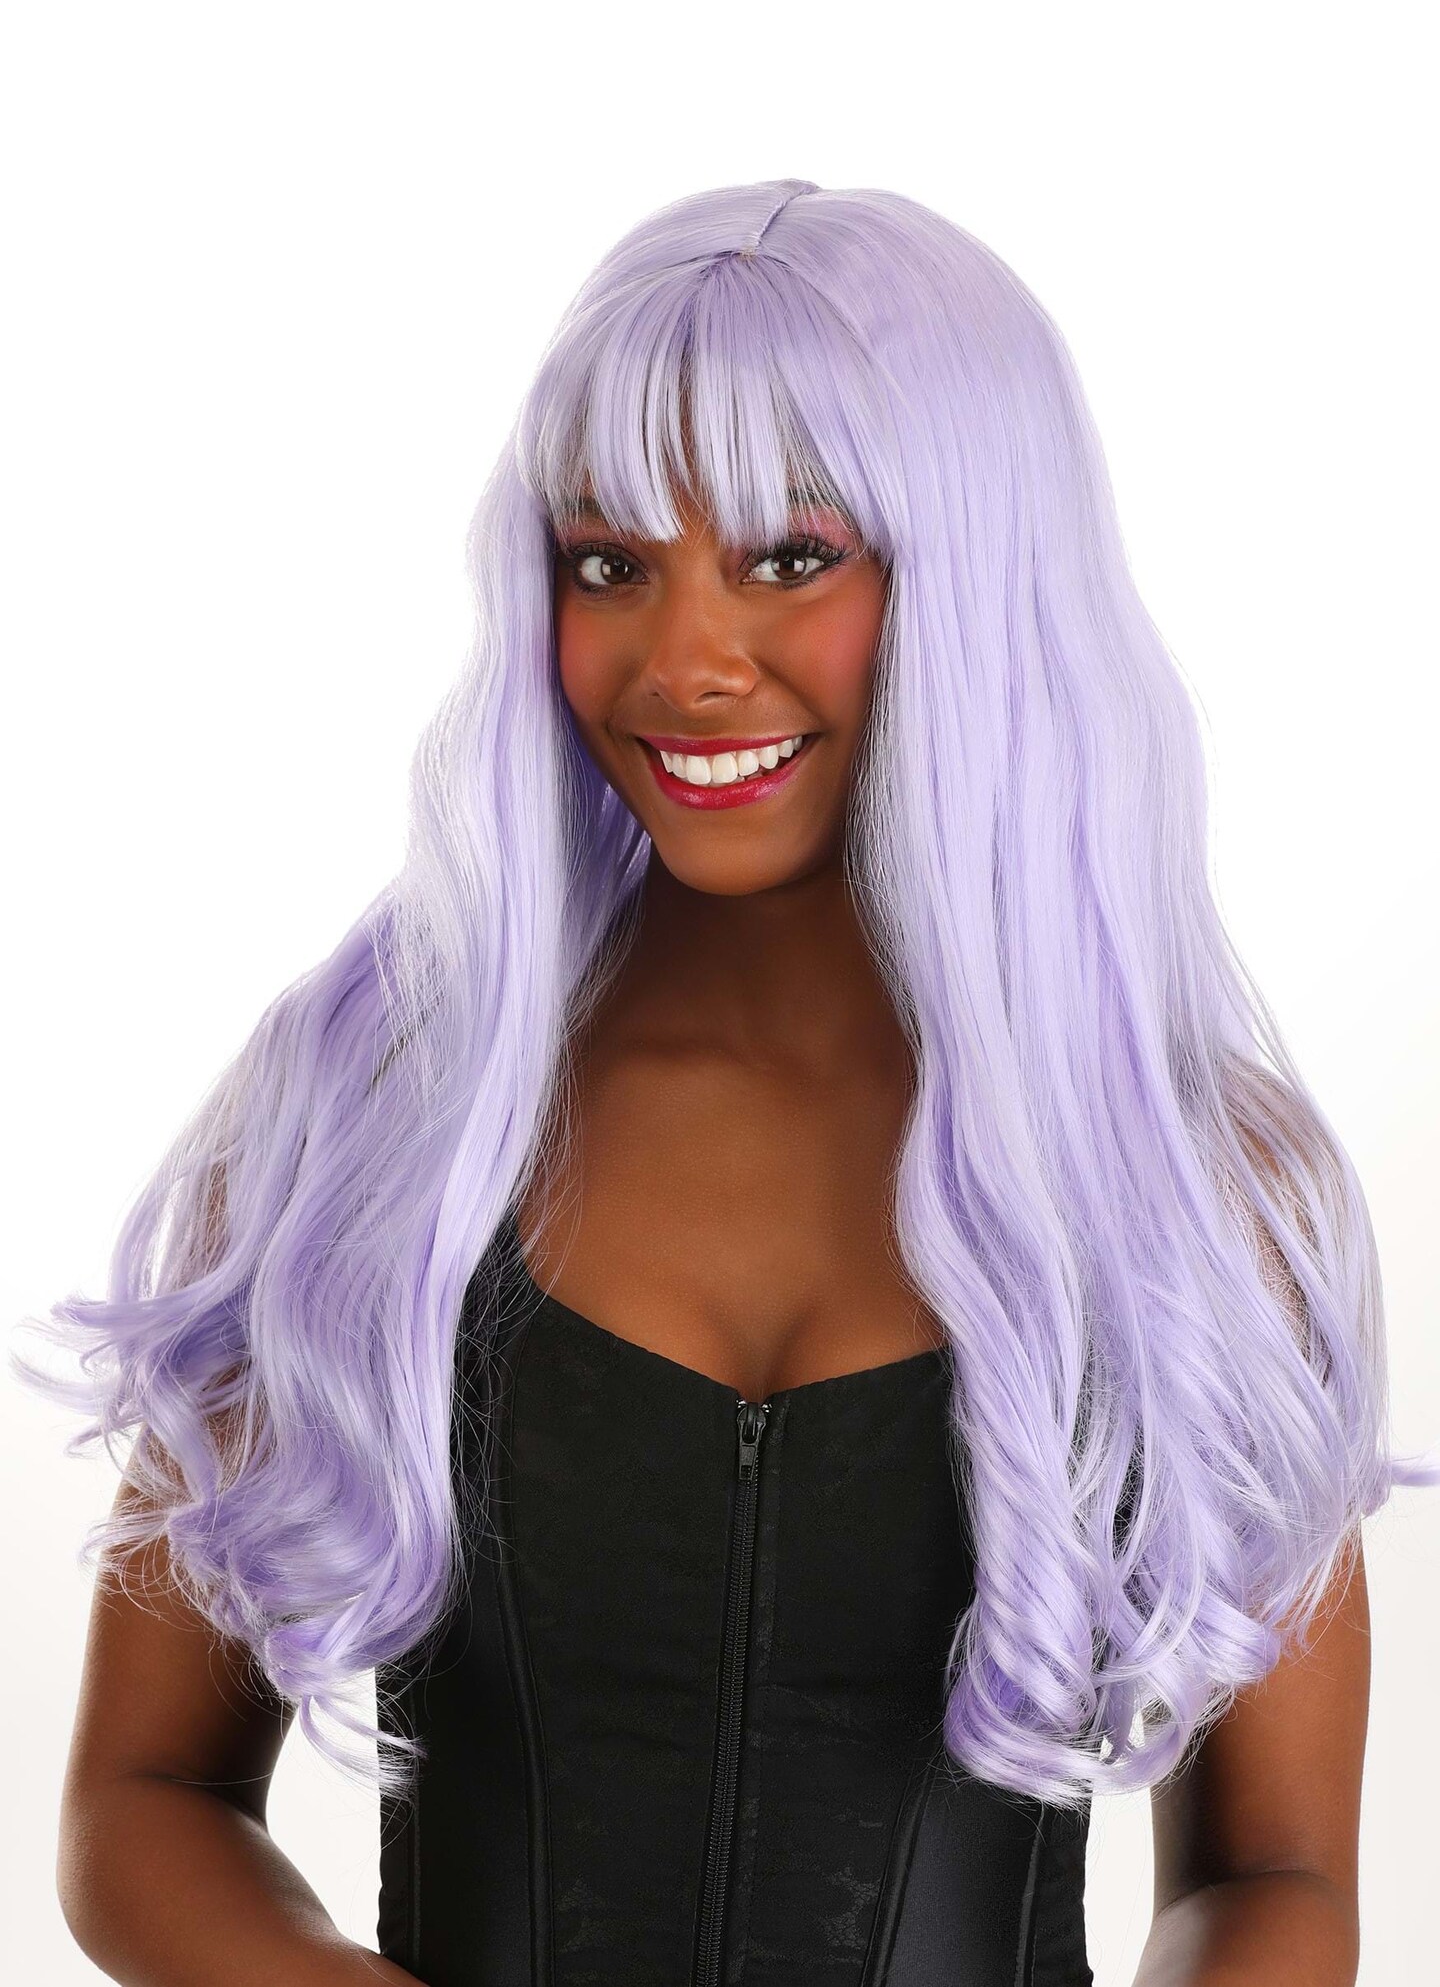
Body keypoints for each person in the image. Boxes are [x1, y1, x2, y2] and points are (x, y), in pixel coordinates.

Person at [17, 178, 1440, 1987]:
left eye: (790, 555)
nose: (685, 662)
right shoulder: (374, 1118)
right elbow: (142, 1795)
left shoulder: (1195, 1184)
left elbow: (1276, 1870)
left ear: (980, 576)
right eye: (608, 562)